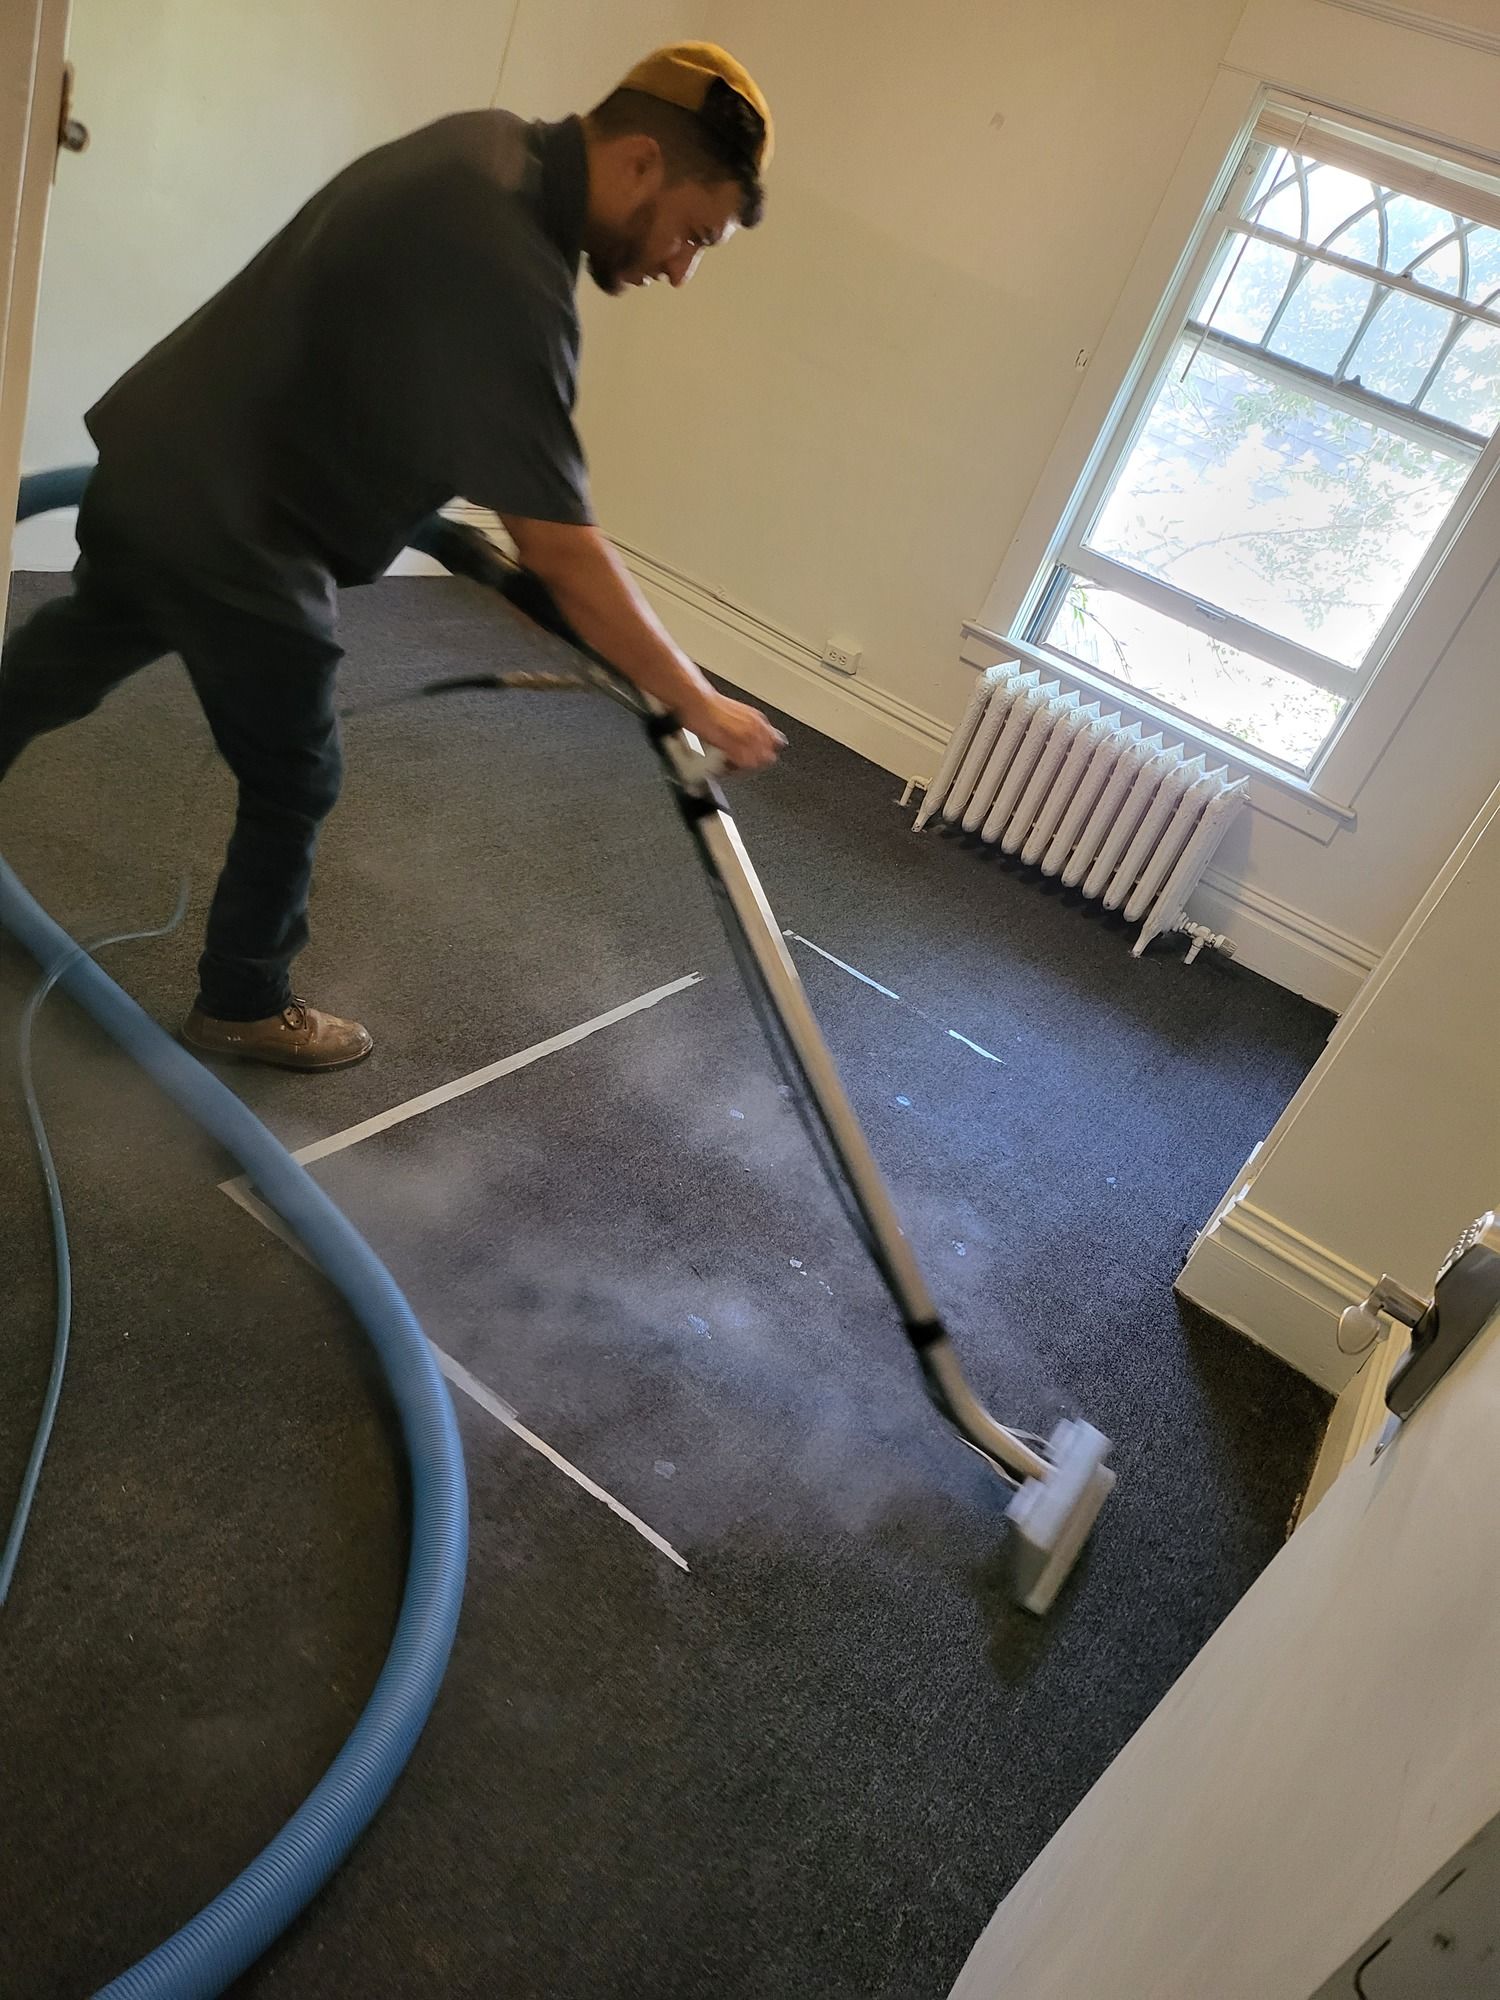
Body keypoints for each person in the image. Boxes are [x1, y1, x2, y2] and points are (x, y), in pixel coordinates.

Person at [0, 42, 785, 1071]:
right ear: (642, 162)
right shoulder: (513, 267)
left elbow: (392, 370)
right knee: (297, 770)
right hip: (244, 528)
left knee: (79, 645)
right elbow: (560, 544)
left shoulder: (484, 147)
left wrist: (440, 524)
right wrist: (696, 697)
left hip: (167, 465)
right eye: (693, 234)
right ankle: (243, 998)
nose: (680, 267)